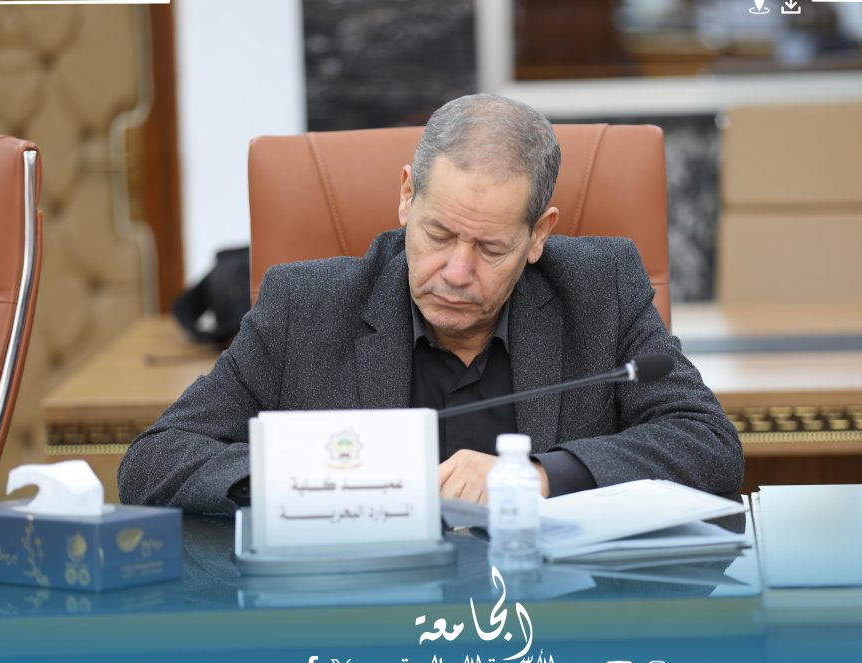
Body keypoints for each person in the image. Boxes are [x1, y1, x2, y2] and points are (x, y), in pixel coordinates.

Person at [118, 94, 744, 515]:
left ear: (539, 235)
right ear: (406, 198)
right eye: (439, 235)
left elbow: (708, 444)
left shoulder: (599, 288)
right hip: (366, 622)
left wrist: (540, 475)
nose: (457, 273)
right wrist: (326, 481)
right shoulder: (303, 309)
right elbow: (154, 462)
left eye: (491, 248)